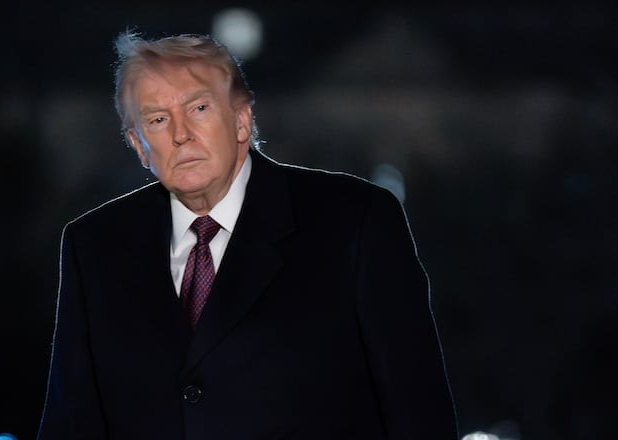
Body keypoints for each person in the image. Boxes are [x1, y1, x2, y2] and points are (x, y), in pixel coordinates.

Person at [38, 31, 457, 440]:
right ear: (138, 144)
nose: (180, 134)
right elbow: (71, 422)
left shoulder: (355, 222)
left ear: (241, 119)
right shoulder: (94, 246)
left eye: (199, 108)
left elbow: (417, 413)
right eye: (157, 119)